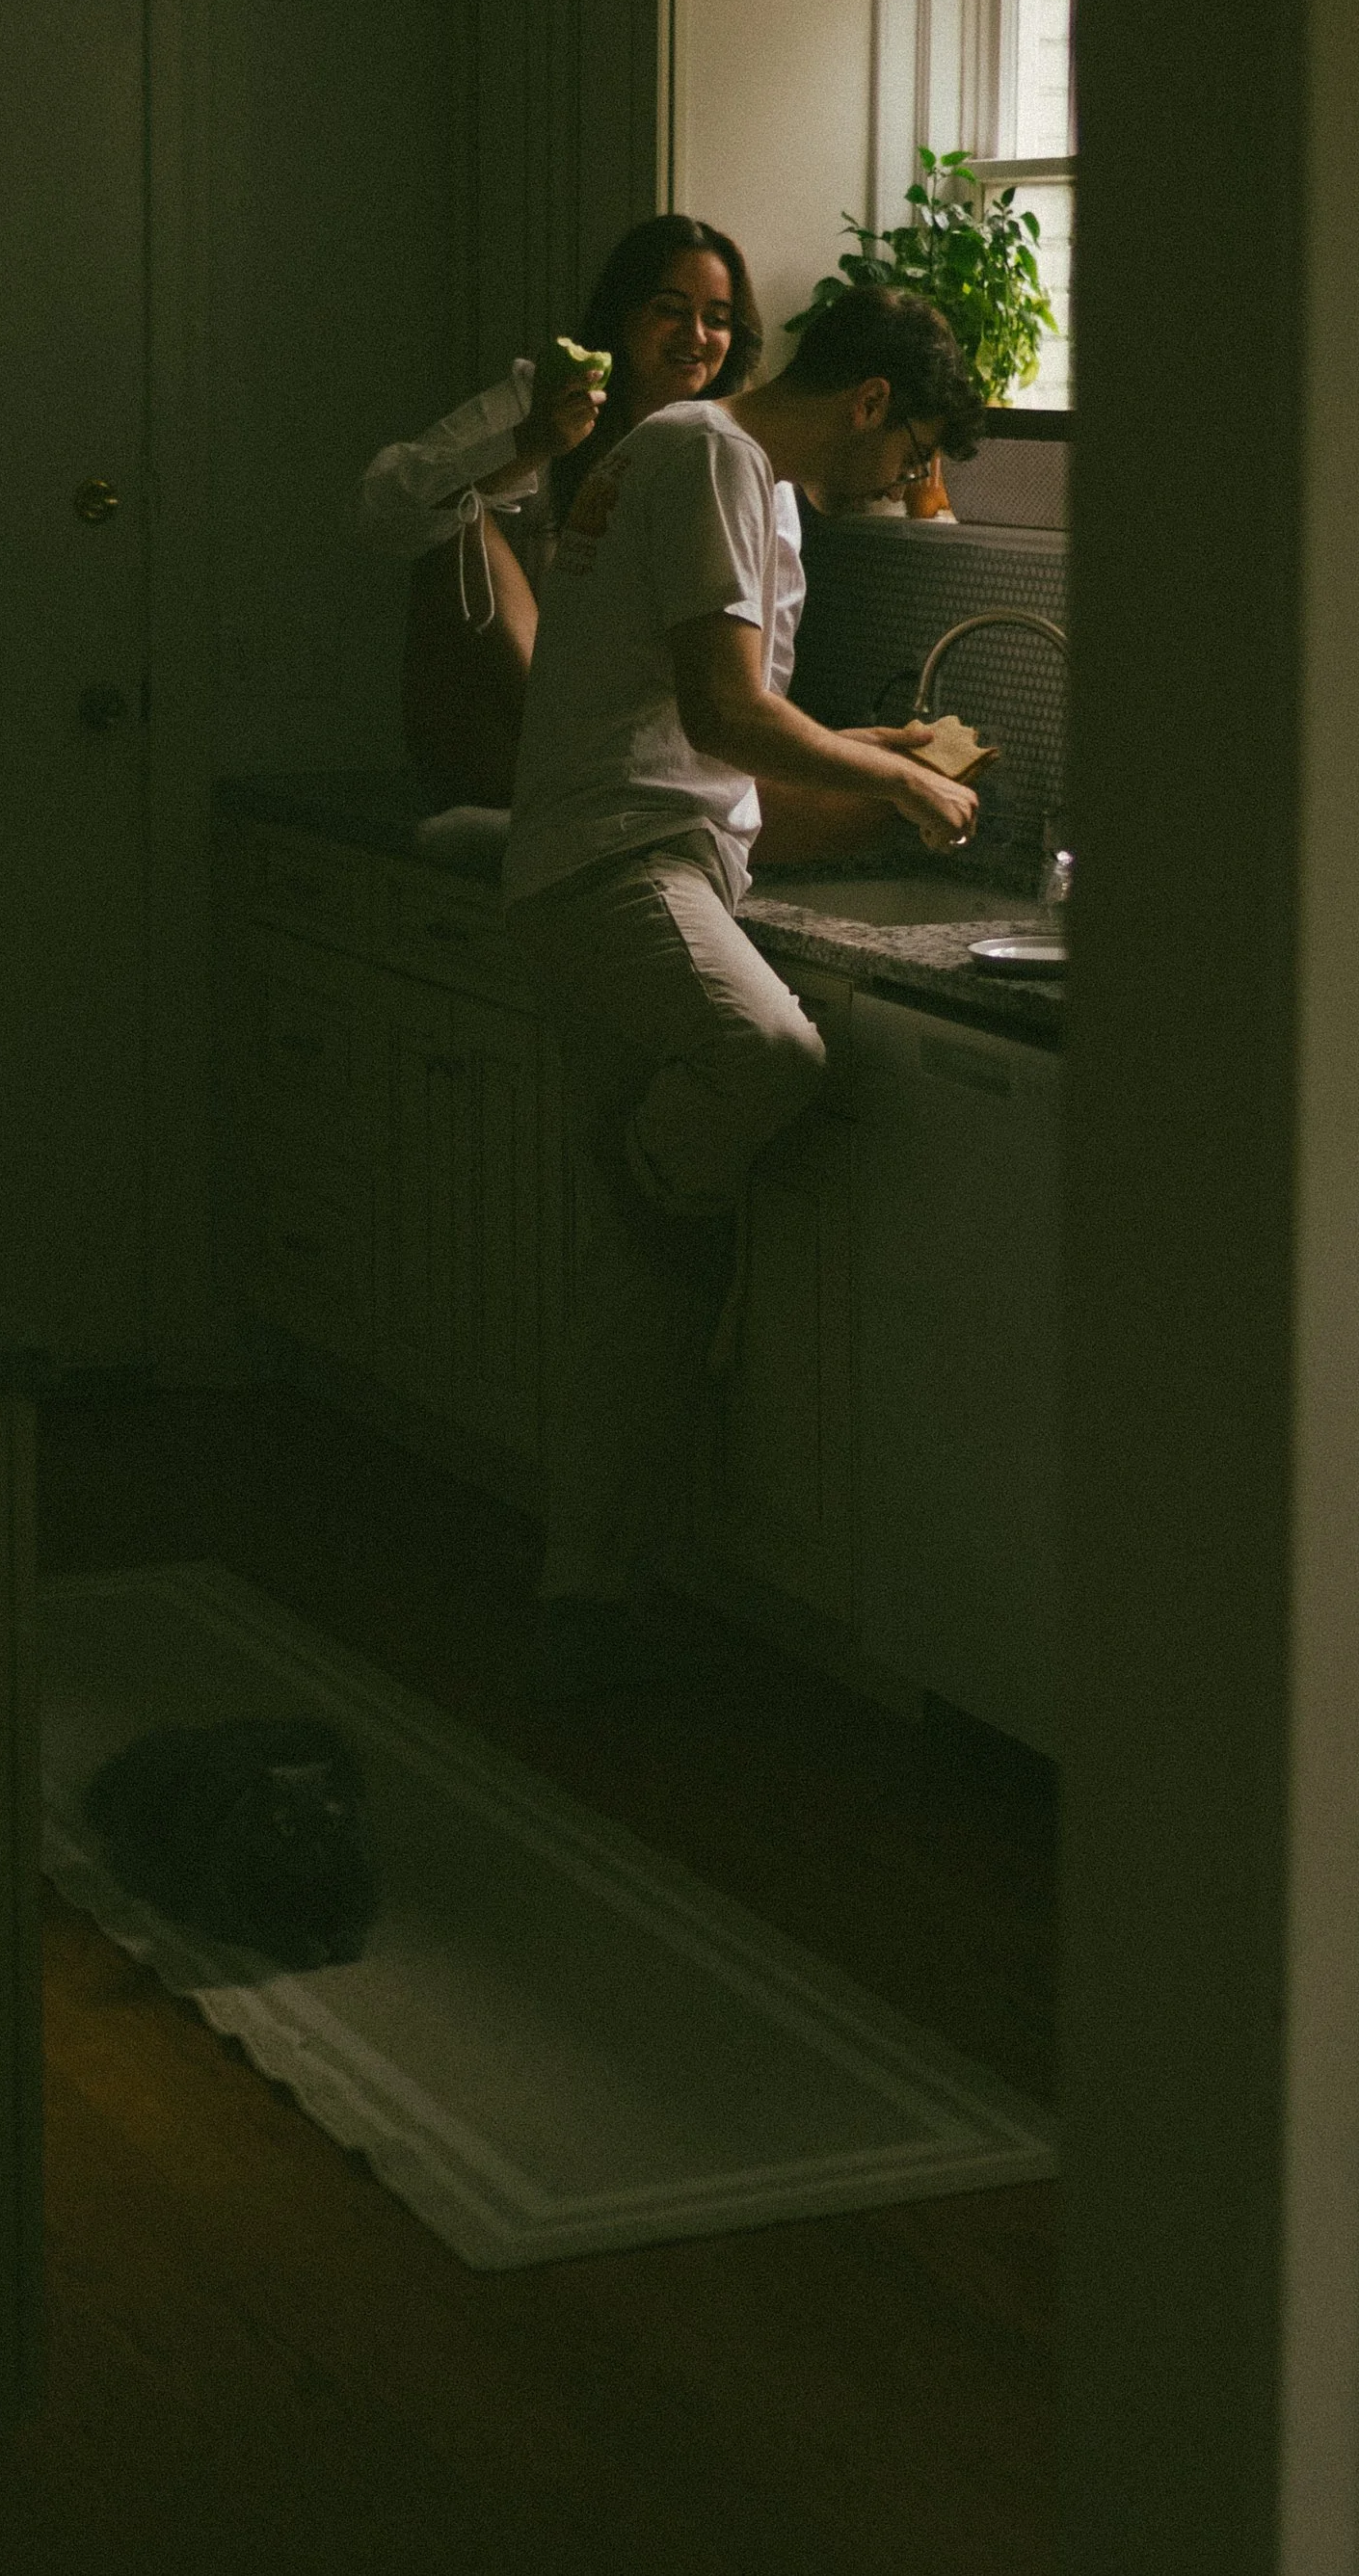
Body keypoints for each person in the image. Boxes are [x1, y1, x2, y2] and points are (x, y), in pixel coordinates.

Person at [501, 282, 989, 1692]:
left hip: (634, 855)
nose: (897, 486)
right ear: (869, 401)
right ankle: (662, 1170)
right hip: (620, 861)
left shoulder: (728, 471)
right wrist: (901, 782)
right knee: (769, 1056)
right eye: (906, 456)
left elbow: (713, 712)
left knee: (643, 1282)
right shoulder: (710, 450)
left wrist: (868, 746)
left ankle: (589, 1593)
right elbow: (721, 716)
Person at [354, 215, 762, 807]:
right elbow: (382, 508)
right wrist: (528, 445)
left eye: (717, 319)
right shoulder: (546, 400)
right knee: (464, 520)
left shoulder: (738, 451)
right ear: (624, 314)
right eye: (670, 310)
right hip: (507, 731)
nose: (695, 335)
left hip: (643, 737)